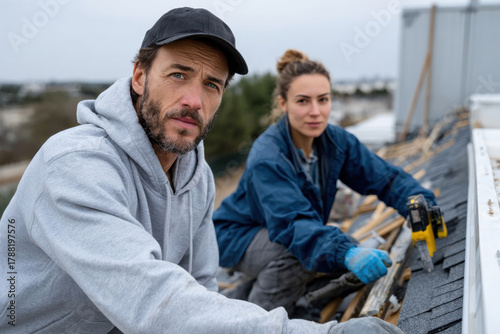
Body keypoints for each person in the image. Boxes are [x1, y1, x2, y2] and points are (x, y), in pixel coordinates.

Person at [0, 7, 404, 334]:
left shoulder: (196, 175)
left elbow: (200, 289)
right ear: (139, 76)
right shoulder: (75, 167)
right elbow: (153, 302)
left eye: (213, 84)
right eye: (178, 74)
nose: (194, 99)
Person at [213, 49, 438, 315]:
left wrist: (419, 201)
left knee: (344, 251)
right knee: (298, 256)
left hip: (279, 233)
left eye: (323, 99)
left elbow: (385, 179)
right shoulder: (269, 157)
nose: (316, 112)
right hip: (240, 235)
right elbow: (294, 226)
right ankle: (256, 320)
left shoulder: (333, 141)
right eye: (303, 101)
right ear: (283, 103)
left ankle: (242, 298)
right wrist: (347, 252)